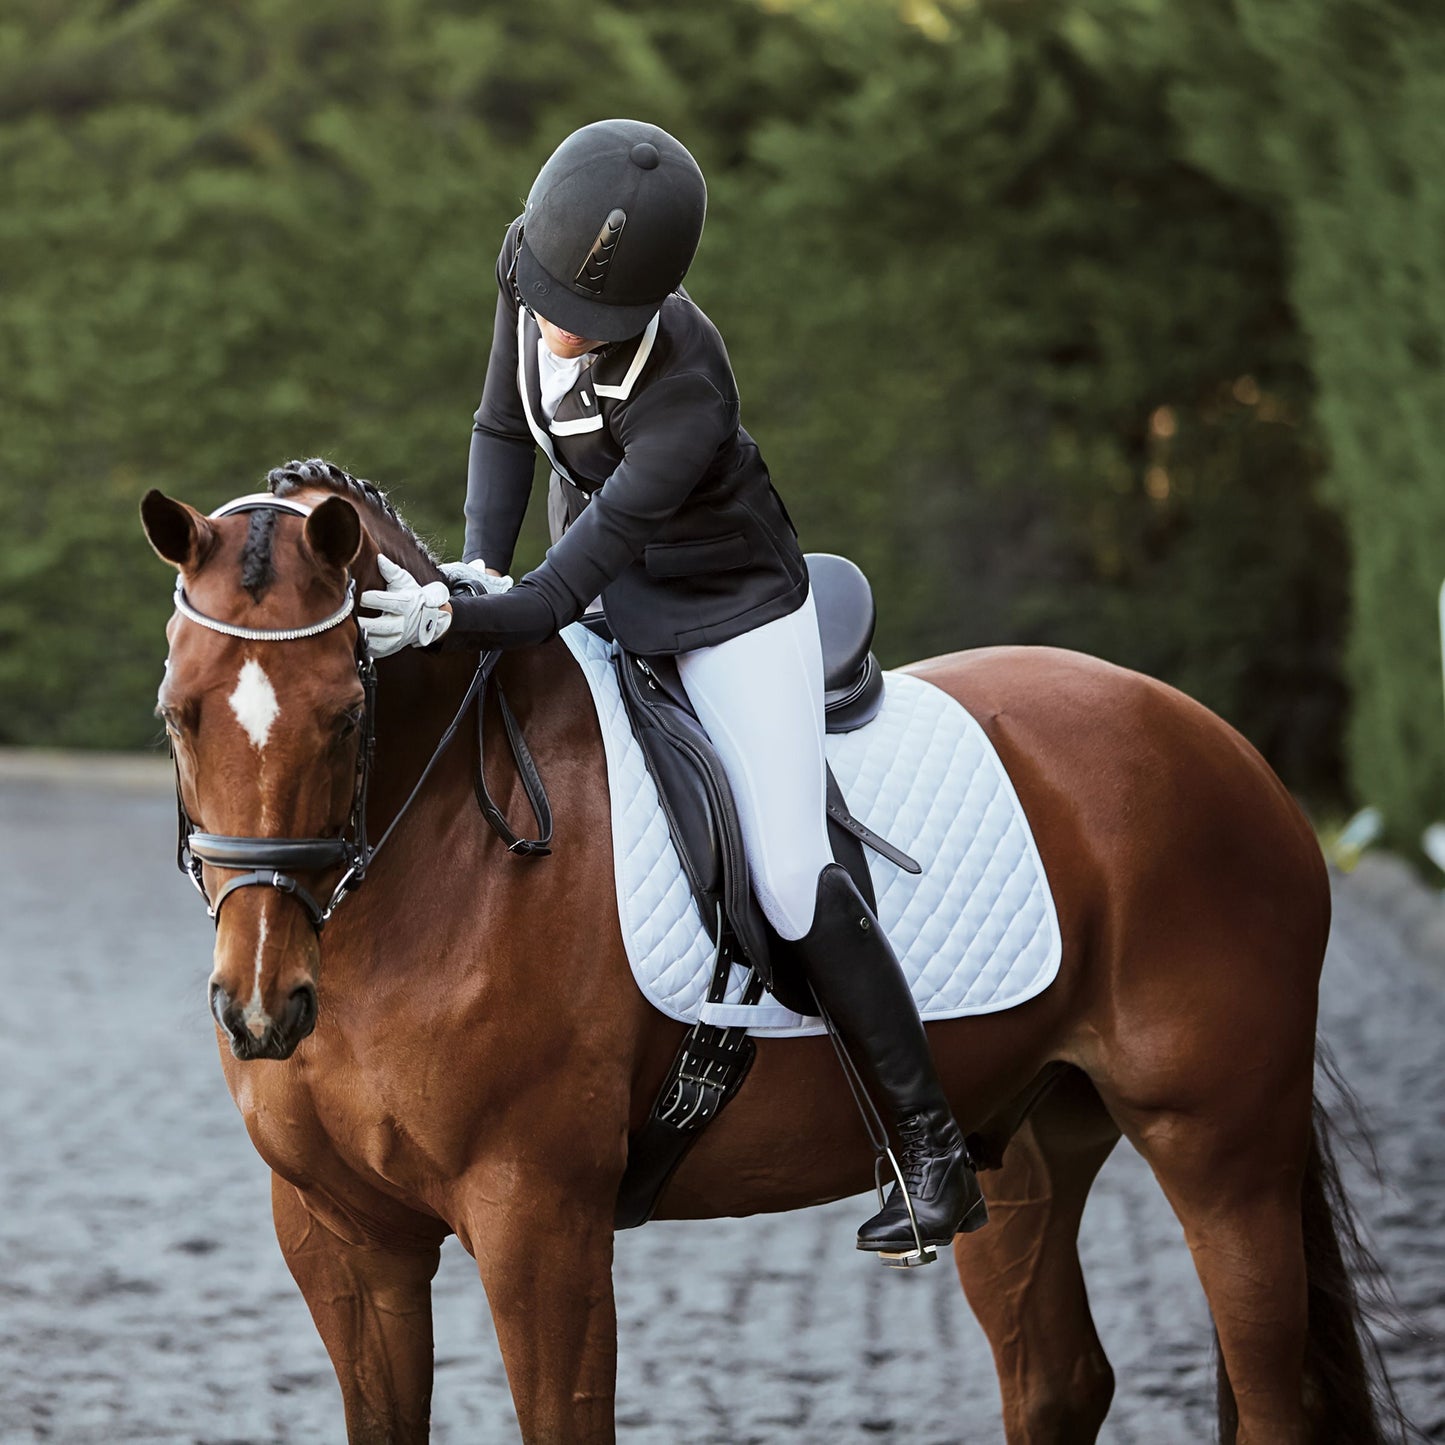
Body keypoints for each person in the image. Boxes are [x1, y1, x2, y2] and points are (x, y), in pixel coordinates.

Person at [359, 118, 987, 1257]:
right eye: (548, 300)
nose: (554, 327)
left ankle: (930, 1144)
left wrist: (457, 614)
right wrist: (471, 563)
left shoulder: (685, 389)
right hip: (604, 587)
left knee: (792, 872)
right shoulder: (530, 273)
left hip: (727, 612)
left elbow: (555, 598)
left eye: (581, 320)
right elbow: (501, 427)